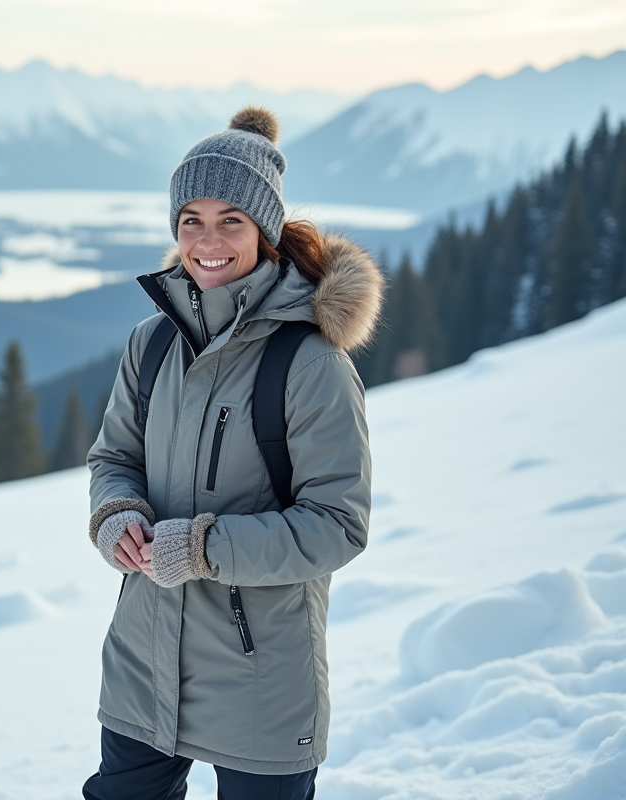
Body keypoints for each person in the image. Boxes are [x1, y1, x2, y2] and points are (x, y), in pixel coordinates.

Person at [83, 106, 384, 800]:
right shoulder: (151, 343)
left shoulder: (310, 364)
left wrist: (201, 549)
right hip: (142, 657)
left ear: (265, 230)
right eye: (191, 219)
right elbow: (113, 459)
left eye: (231, 221)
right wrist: (116, 514)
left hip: (261, 677)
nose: (207, 240)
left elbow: (338, 525)